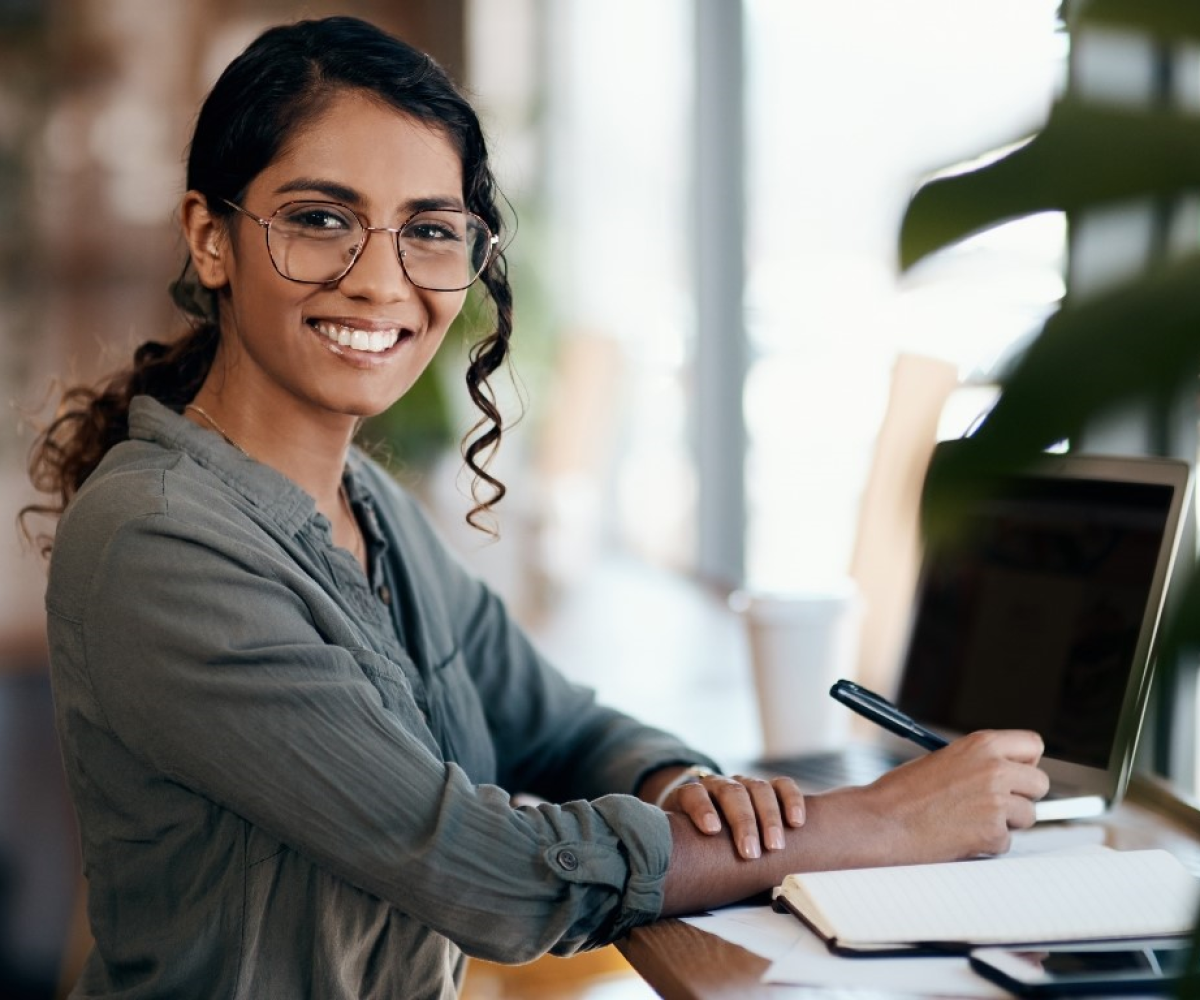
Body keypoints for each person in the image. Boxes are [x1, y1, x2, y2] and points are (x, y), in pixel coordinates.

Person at [23, 15, 1050, 1000]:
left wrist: (686, 787)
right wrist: (871, 824)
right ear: (211, 238)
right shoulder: (160, 540)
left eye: (429, 231)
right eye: (321, 219)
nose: (381, 280)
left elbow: (557, 725)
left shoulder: (366, 506)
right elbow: (494, 875)